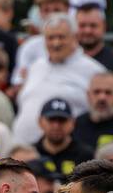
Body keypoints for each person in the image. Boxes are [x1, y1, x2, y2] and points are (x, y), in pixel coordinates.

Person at [13, 16, 105, 147]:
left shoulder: (94, 71)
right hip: (24, 150)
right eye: (51, 38)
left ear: (75, 37)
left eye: (61, 37)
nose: (56, 43)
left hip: (68, 152)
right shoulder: (36, 66)